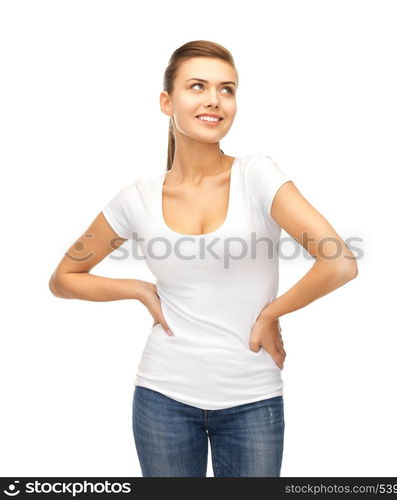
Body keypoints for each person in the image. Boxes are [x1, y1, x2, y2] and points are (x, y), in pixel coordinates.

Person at [48, 40, 358, 477]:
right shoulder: (136, 199)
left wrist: (271, 313)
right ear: (166, 101)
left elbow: (339, 261)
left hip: (252, 399)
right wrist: (137, 289)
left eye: (227, 89)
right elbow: (64, 278)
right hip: (162, 399)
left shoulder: (257, 176)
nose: (215, 100)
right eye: (198, 86)